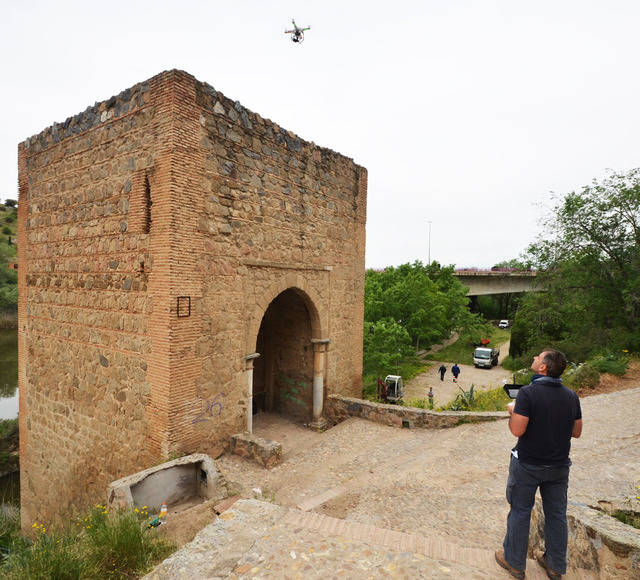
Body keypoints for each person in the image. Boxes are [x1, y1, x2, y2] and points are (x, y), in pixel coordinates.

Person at [495, 349, 582, 579]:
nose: (534, 358)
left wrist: (512, 411)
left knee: (520, 511)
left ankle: (514, 562)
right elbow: (577, 431)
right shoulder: (571, 396)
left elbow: (517, 429)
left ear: (543, 367)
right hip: (559, 467)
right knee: (556, 515)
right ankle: (555, 566)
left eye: (537, 357)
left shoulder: (527, 393)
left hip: (528, 465)